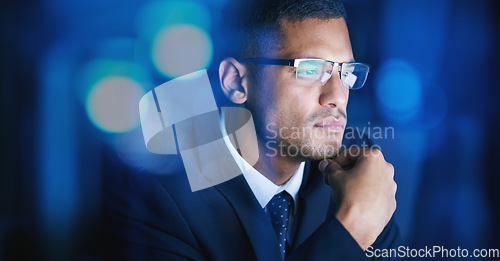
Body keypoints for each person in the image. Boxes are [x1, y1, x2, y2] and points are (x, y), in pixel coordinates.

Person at [103, 0, 400, 260]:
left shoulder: (354, 169)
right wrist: (350, 229)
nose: (337, 96)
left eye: (346, 72)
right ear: (236, 82)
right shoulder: (159, 193)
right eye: (310, 69)